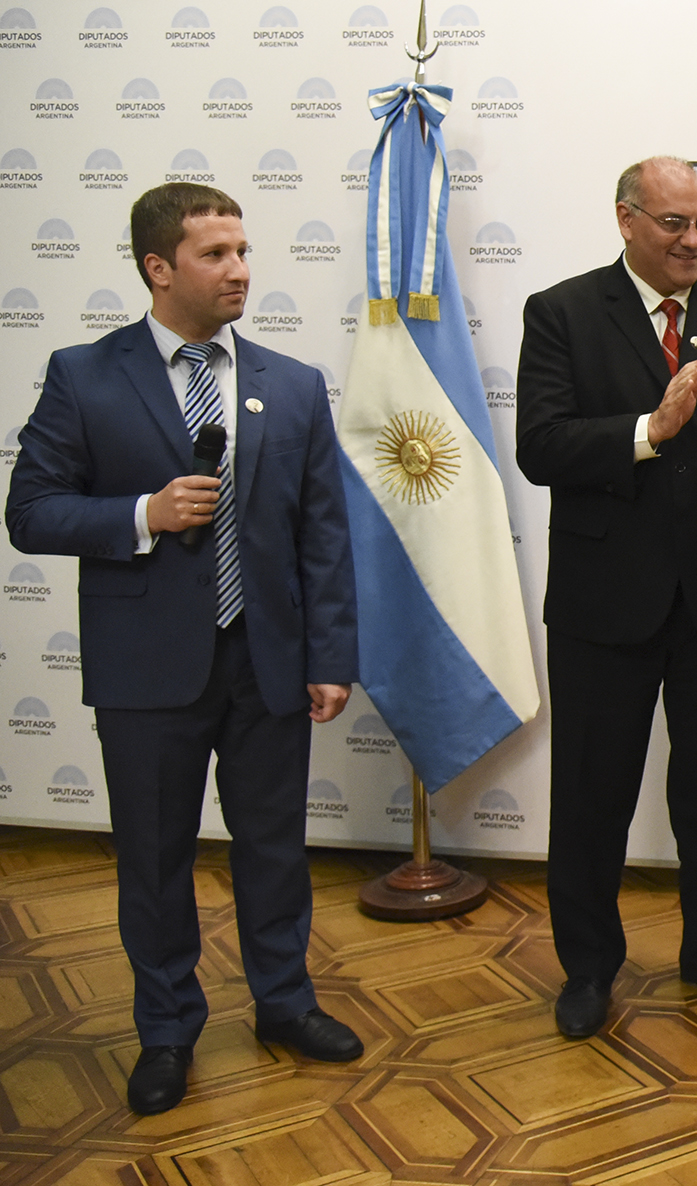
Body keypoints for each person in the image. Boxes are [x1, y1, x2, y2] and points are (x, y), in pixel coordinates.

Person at [5, 184, 361, 1115]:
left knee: (276, 850)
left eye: (244, 250)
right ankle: (166, 1031)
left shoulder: (290, 384)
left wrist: (331, 654)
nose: (240, 269)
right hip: (146, 671)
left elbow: (322, 533)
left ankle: (284, 1003)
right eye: (215, 255)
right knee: (156, 860)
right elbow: (31, 513)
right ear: (159, 268)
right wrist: (141, 515)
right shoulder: (84, 374)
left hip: (267, 662)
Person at [516, 156, 697, 1035]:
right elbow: (541, 447)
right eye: (674, 224)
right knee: (593, 795)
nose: (693, 240)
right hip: (606, 602)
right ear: (626, 220)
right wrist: (650, 431)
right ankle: (590, 970)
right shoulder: (562, 312)